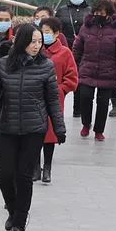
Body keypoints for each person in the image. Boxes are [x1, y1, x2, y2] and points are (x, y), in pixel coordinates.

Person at [0, 24, 66, 231]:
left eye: (39, 42)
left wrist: (59, 127)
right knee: (4, 174)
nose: (36, 46)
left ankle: (19, 222)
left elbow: (53, 99)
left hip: (34, 128)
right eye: (32, 41)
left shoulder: (46, 66)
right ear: (22, 41)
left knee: (24, 175)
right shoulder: (4, 65)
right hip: (7, 127)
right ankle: (12, 208)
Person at [74, 0, 116, 142]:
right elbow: (78, 47)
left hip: (108, 72)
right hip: (87, 69)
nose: (99, 15)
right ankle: (86, 124)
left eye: (102, 13)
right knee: (85, 97)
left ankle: (99, 130)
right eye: (96, 12)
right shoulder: (86, 27)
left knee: (103, 102)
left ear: (109, 14)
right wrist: (75, 64)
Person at [36, 18, 78, 184]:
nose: (44, 35)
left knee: (50, 134)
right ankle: (34, 168)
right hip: (34, 98)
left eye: (47, 32)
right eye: (42, 31)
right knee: (34, 133)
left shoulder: (65, 52)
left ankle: (47, 167)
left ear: (56, 34)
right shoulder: (35, 50)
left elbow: (72, 78)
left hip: (53, 99)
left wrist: (59, 89)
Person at [56, 0, 91, 118]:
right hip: (65, 48)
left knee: (79, 80)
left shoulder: (90, 11)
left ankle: (78, 110)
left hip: (83, 50)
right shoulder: (62, 10)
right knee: (62, 79)